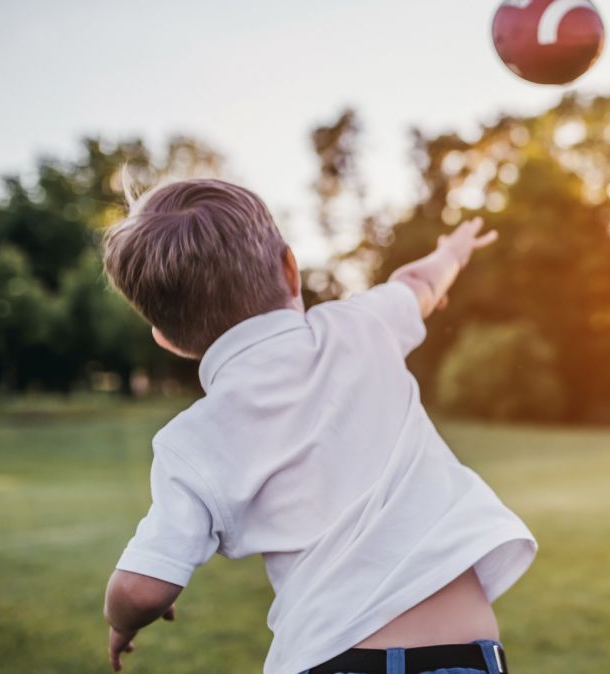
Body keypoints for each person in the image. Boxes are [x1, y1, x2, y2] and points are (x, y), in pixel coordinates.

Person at [101, 179, 535, 674]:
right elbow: (419, 284)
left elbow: (140, 588)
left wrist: (124, 620)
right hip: (460, 658)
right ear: (291, 269)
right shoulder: (360, 326)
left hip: (327, 661)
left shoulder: (192, 441)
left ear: (166, 339)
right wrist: (452, 254)